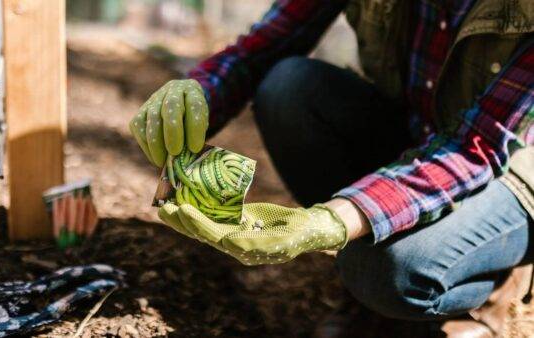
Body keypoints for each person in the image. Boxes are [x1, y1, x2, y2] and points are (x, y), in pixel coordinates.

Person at [130, 1, 533, 336]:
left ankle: (491, 285)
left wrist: (331, 222)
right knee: (289, 88)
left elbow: (472, 148)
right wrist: (199, 93)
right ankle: (372, 278)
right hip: (416, 135)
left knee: (391, 269)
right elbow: (266, 45)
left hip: (509, 168)